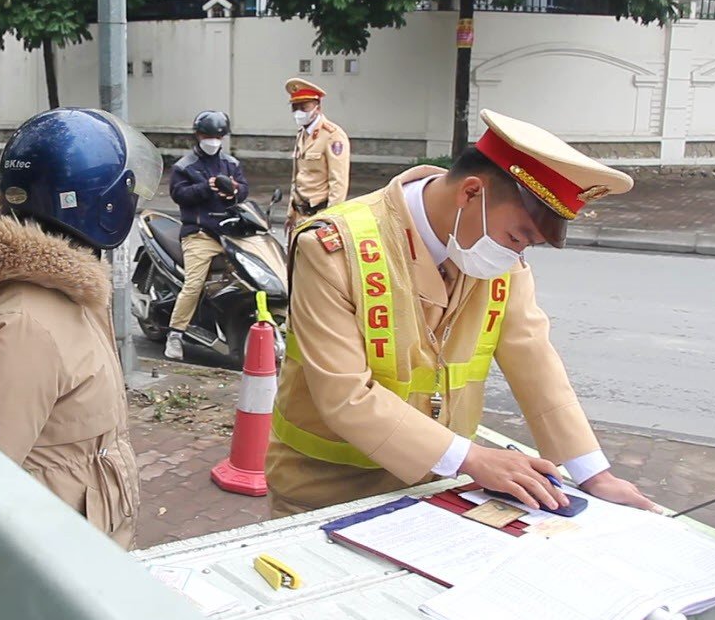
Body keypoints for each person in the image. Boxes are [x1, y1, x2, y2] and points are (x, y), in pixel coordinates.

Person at [267, 109, 659, 518]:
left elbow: (534, 358)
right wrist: (472, 459)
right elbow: (344, 394)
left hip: (437, 488)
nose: (516, 255)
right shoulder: (334, 248)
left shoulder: (495, 259)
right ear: (470, 193)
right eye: (515, 237)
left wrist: (593, 473)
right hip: (325, 490)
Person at [0, 108, 162, 548]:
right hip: (49, 578)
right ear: (101, 203)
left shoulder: (68, 293)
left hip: (76, 562)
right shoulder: (26, 330)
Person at [164, 110, 249, 361]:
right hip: (199, 235)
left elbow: (243, 190)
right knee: (193, 285)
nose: (213, 141)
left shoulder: (231, 164)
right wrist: (205, 187)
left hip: (228, 233)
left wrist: (234, 191)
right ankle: (175, 334)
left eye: (218, 136)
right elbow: (179, 195)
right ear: (198, 135)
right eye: (208, 136)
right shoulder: (185, 166)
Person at [286, 78, 350, 236]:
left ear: (317, 107)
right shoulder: (302, 134)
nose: (299, 112)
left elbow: (338, 182)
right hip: (299, 214)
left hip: (319, 216)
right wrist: (290, 212)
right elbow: (297, 177)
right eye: (295, 107)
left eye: (304, 107)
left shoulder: (332, 135)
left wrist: (330, 220)